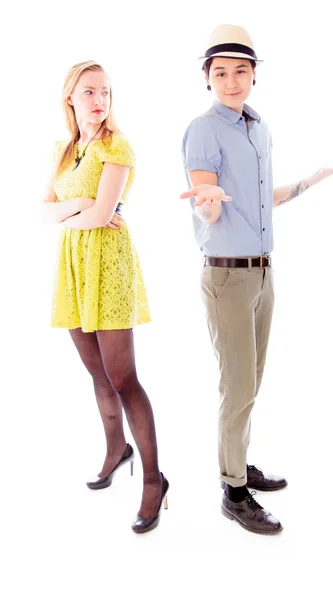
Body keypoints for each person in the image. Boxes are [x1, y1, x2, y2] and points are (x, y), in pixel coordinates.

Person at [181, 25, 333, 535]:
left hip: (263, 272)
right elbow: (207, 196)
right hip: (227, 278)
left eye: (240, 71)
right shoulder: (203, 129)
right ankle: (233, 490)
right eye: (220, 73)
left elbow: (265, 200)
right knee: (236, 386)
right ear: (207, 78)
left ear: (255, 74)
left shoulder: (258, 128)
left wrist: (314, 179)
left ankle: (239, 462)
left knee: (251, 382)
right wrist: (209, 207)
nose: (231, 81)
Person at [43, 60, 168, 534]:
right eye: (89, 92)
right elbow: (42, 211)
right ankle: (117, 450)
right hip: (73, 268)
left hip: (108, 266)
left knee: (123, 377)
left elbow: (101, 218)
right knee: (95, 370)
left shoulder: (118, 147)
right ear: (70, 97)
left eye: (106, 92)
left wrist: (72, 214)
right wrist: (76, 207)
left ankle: (154, 480)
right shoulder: (65, 149)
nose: (99, 101)